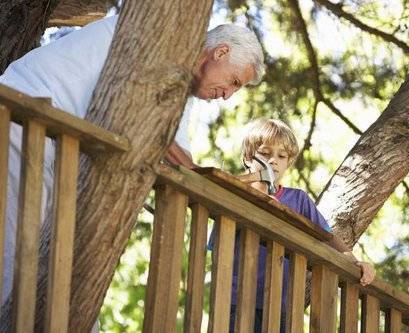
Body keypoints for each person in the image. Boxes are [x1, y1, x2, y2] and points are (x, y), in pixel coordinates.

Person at [0, 14, 264, 306]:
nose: (227, 96)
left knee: (52, 275)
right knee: (13, 258)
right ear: (221, 51)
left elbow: (182, 156)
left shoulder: (179, 85)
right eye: (234, 81)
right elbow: (172, 150)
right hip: (20, 120)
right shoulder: (158, 40)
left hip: (51, 142)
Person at [209, 118, 375, 332]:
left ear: (289, 161)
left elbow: (327, 236)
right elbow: (217, 246)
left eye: (281, 155)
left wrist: (354, 261)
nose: (273, 161)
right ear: (249, 158)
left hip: (279, 302)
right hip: (235, 298)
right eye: (265, 153)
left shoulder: (298, 200)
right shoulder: (234, 194)